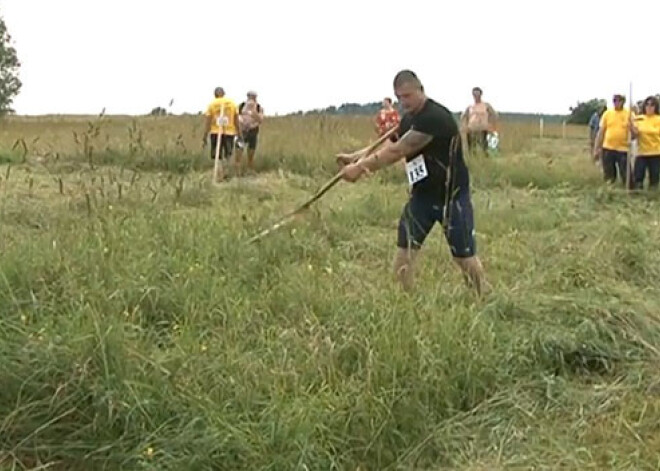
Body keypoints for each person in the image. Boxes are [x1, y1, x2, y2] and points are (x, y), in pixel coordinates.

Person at [336, 70, 488, 295]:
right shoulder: (408, 119)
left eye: (407, 96)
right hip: (422, 197)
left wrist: (360, 169)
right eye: (399, 97)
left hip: (451, 195)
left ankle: (482, 294)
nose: (403, 102)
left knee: (463, 256)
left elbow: (398, 151)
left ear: (420, 90)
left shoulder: (435, 118)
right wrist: (356, 156)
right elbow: (389, 142)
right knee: (405, 249)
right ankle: (404, 301)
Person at [202, 87, 239, 181]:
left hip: (215, 131)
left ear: (215, 94)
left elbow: (208, 121)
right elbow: (236, 119)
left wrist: (205, 135)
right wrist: (239, 132)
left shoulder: (212, 104)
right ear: (224, 93)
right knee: (228, 153)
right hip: (230, 132)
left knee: (216, 155)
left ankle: (219, 173)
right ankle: (226, 174)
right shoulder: (232, 103)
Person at [593, 94, 631, 185]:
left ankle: (629, 191)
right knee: (609, 174)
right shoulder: (607, 114)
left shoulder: (629, 114)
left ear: (623, 102)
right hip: (608, 148)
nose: (617, 103)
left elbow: (634, 132)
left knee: (626, 173)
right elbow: (601, 132)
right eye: (615, 100)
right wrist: (596, 148)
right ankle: (610, 190)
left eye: (619, 100)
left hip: (623, 149)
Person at [630, 96, 660, 190]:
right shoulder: (639, 119)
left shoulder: (658, 119)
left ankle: (652, 196)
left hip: (656, 152)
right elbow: (635, 135)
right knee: (638, 176)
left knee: (654, 178)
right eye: (647, 104)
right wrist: (632, 127)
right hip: (641, 152)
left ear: (656, 107)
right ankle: (637, 196)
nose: (649, 107)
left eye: (652, 105)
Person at [460, 87, 498, 155]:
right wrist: (464, 126)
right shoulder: (470, 106)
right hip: (471, 129)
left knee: (484, 147)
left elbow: (494, 115)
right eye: (474, 94)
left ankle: (485, 160)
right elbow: (463, 117)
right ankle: (473, 160)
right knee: (471, 149)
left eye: (477, 94)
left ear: (481, 94)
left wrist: (491, 124)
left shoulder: (486, 105)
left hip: (483, 129)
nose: (476, 96)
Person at [235, 91, 264, 175]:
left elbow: (260, 120)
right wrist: (242, 124)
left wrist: (254, 113)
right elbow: (236, 117)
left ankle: (249, 172)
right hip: (241, 132)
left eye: (254, 97)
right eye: (250, 96)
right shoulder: (241, 106)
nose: (252, 98)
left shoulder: (259, 107)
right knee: (238, 152)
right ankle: (237, 173)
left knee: (251, 153)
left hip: (253, 132)